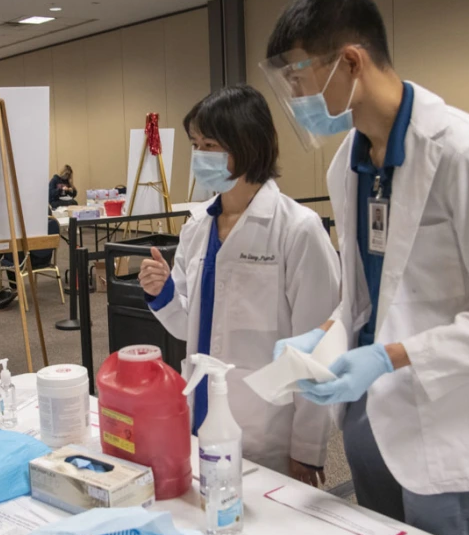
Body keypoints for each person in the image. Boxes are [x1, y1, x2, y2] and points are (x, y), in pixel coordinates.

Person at [262, 0, 469, 535]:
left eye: (299, 82)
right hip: (369, 412)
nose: (295, 100)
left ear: (350, 61)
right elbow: (370, 294)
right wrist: (325, 337)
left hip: (449, 412)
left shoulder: (467, 154)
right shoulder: (346, 168)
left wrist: (392, 356)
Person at [137, 85, 340, 481]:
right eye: (195, 144)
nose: (199, 156)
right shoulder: (198, 226)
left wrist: (307, 449)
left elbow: (317, 348)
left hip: (265, 429)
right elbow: (187, 326)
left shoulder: (297, 230)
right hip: (200, 416)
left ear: (247, 145)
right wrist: (161, 292)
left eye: (210, 144)